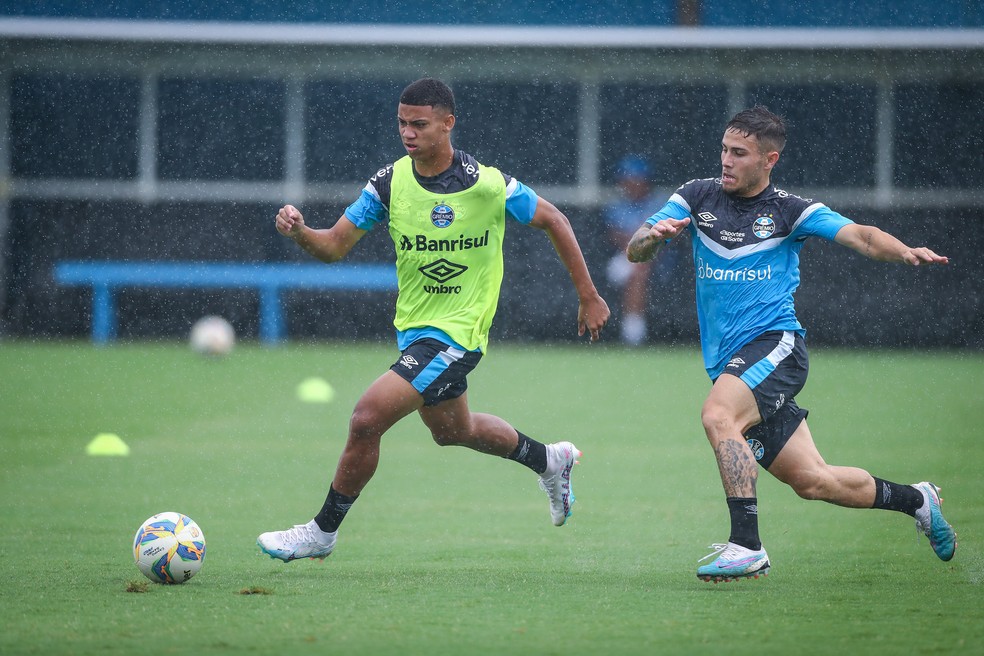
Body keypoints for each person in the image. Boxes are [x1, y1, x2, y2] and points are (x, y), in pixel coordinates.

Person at [258, 78, 610, 562]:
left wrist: (588, 295)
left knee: (366, 418)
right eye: (402, 123)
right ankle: (550, 460)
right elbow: (334, 246)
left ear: (448, 124)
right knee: (453, 431)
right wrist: (300, 232)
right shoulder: (388, 183)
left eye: (419, 124)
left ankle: (322, 531)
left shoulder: (487, 183)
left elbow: (556, 220)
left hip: (458, 334)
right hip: (415, 332)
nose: (408, 132)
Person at [626, 105, 956, 583]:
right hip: (730, 362)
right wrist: (653, 236)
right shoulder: (695, 196)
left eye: (739, 153)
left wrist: (902, 250)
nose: (726, 161)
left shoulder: (789, 210)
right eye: (724, 149)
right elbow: (635, 248)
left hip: (775, 346)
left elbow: (861, 236)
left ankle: (747, 545)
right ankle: (917, 500)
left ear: (769, 159)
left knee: (718, 416)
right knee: (813, 481)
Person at [602, 156, 672, 346]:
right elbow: (618, 237)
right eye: (627, 180)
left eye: (636, 180)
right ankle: (633, 333)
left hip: (660, 259)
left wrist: (648, 247)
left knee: (640, 268)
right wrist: (641, 245)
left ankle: (633, 334)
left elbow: (668, 238)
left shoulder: (659, 204)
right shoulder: (617, 205)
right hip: (624, 257)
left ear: (646, 181)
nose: (631, 185)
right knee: (637, 267)